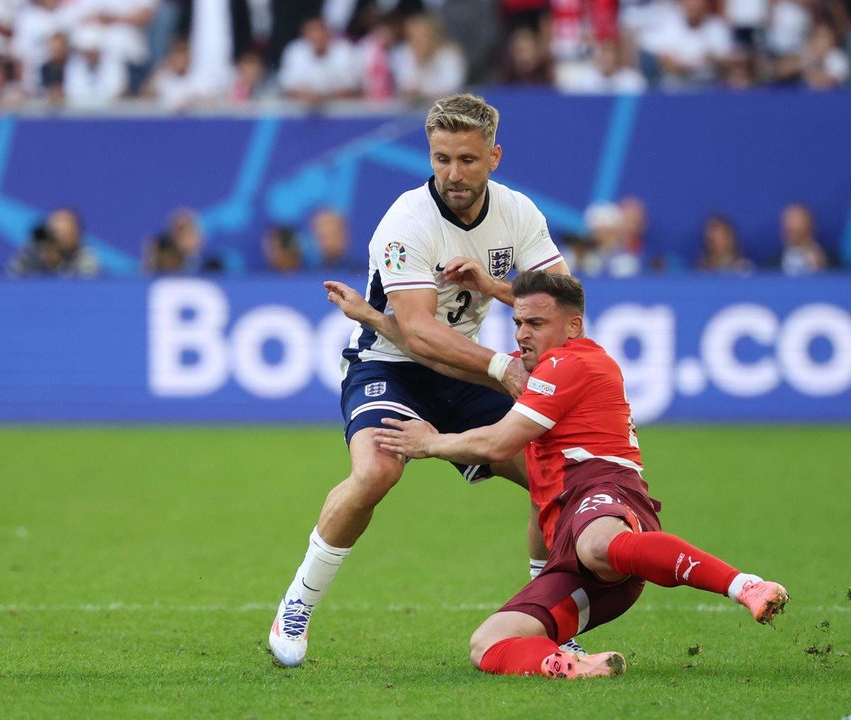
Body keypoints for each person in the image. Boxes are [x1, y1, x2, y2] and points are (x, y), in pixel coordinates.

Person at [351, 270, 789, 679]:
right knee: (487, 644)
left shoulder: (573, 363)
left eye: (536, 323)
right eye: (518, 322)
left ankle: (745, 585)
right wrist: (373, 318)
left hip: (604, 491)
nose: (522, 333)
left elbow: (497, 445)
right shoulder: (540, 369)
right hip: (585, 561)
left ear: (574, 326)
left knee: (598, 542)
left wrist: (430, 443)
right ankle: (572, 666)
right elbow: (440, 359)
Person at [268, 93, 570, 668]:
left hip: (463, 368)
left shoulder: (519, 214)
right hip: (390, 364)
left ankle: (547, 619)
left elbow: (565, 303)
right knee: (378, 470)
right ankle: (298, 604)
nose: (453, 174)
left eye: (467, 160)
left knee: (548, 477)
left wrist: (493, 284)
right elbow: (419, 332)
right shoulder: (407, 221)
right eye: (441, 159)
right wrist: (502, 366)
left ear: (494, 157)